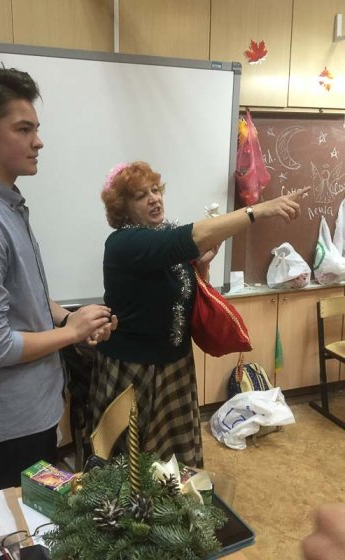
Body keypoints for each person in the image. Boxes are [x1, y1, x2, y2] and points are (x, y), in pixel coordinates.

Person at [0, 64, 117, 491]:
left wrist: (68, 317)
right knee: (23, 517)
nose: (38, 141)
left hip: (35, 402)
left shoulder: (5, 205)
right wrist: (71, 334)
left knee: (39, 507)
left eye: (36, 129)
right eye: (23, 129)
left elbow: (25, 294)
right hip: (13, 417)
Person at [90, 160, 310, 467]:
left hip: (173, 364)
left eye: (155, 190)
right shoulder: (124, 243)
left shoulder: (161, 235)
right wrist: (258, 210)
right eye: (141, 196)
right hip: (135, 369)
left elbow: (183, 292)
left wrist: (202, 266)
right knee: (131, 465)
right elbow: (193, 236)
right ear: (123, 208)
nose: (154, 198)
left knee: (173, 461)